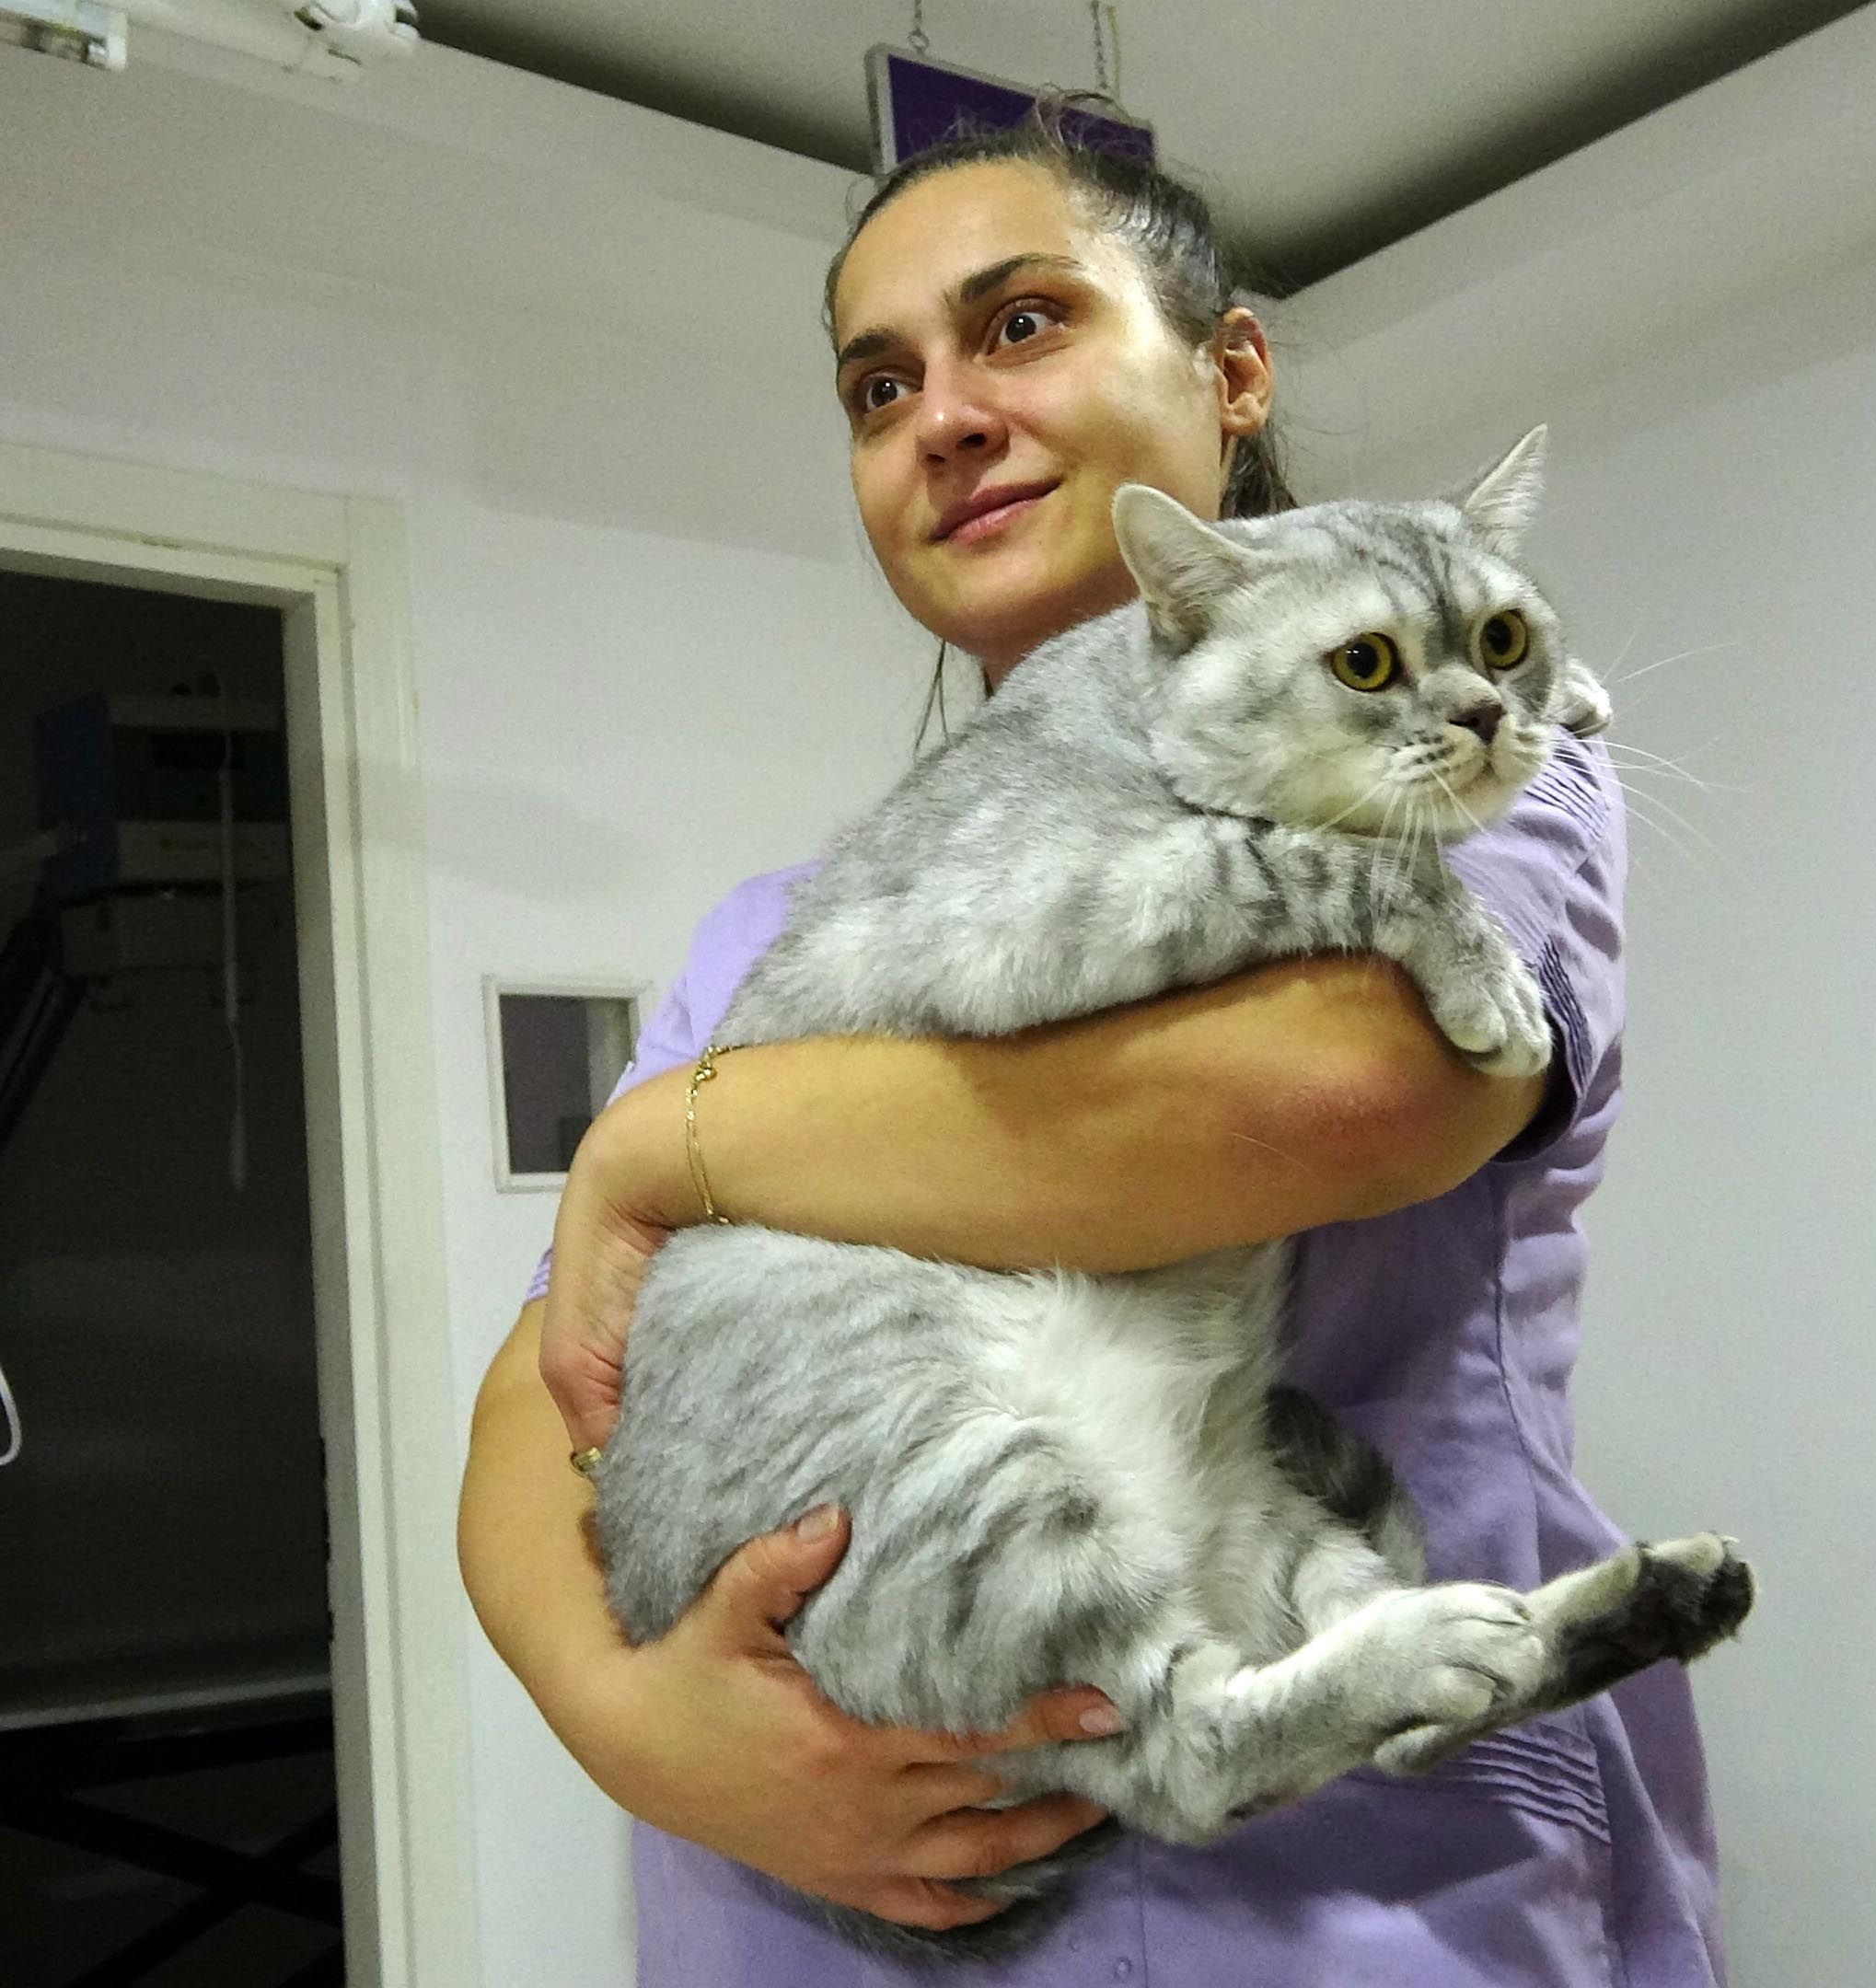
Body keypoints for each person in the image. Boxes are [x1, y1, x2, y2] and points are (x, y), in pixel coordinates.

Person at [457, 105, 1727, 1987]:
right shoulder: (773, 928)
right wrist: (632, 1722)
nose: (945, 418)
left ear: (1230, 376)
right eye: (879, 387)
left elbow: (1328, 1097)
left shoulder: (1462, 772)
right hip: (787, 1904)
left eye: (1022, 324)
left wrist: (666, 1143)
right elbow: (547, 1391)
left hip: (1326, 1904)